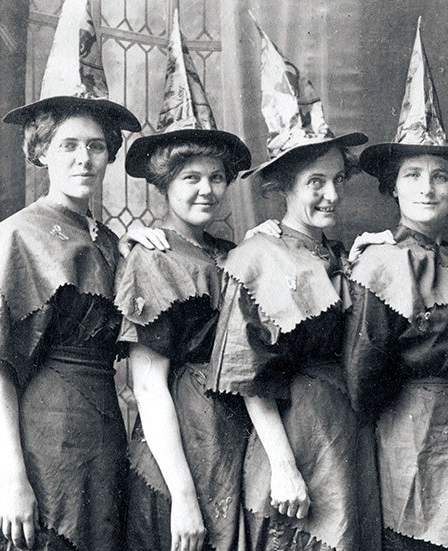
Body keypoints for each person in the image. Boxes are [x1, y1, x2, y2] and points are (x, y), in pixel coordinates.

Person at [0, 0, 141, 548]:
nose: (84, 158)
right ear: (41, 151)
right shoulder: (16, 235)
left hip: (99, 444)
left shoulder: (114, 244)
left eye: (95, 146)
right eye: (68, 145)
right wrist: (13, 479)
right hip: (34, 445)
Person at [207, 18, 380, 551]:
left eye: (336, 181)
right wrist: (283, 467)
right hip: (292, 436)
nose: (329, 195)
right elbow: (249, 376)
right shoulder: (257, 257)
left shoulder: (338, 253)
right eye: (314, 183)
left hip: (342, 435)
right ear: (283, 187)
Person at [344, 19, 448, 551]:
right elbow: (363, 376)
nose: (428, 187)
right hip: (412, 433)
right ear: (393, 187)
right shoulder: (380, 262)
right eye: (413, 175)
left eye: (441, 176)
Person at [115, 11, 254, 550]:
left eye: (217, 178)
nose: (207, 190)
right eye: (190, 178)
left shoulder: (231, 254)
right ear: (165, 185)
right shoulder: (152, 256)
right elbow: (148, 387)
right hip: (179, 447)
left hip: (232, 435)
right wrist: (184, 497)